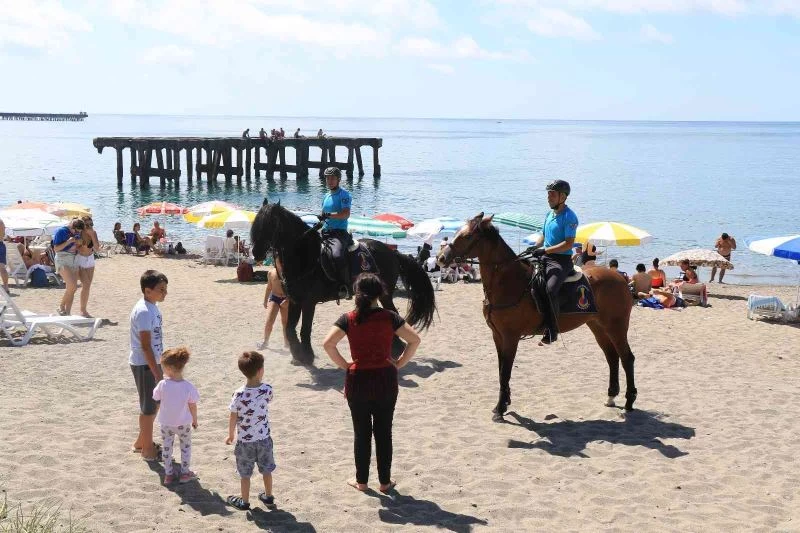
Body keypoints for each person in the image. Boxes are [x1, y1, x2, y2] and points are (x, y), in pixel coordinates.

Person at [322, 273, 421, 493]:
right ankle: (385, 482)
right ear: (379, 293)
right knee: (384, 432)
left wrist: (346, 365)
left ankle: (362, 482)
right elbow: (414, 340)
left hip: (358, 380)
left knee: (361, 433)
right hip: (385, 378)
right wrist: (399, 363)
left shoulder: (349, 318)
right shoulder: (389, 317)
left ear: (357, 292)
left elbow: (328, 344)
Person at [225, 351, 276, 511]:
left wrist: (231, 434)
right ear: (260, 370)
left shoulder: (238, 394)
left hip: (245, 442)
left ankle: (245, 501)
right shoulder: (267, 389)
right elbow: (268, 400)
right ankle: (268, 496)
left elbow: (233, 416)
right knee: (266, 470)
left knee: (245, 473)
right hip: (264, 439)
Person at [530, 179, 578, 344]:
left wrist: (545, 250)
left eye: (552, 194)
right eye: (548, 194)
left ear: (562, 197)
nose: (548, 197)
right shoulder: (548, 214)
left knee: (550, 290)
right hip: (545, 256)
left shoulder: (570, 217)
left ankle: (552, 330)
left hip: (561, 261)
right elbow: (543, 236)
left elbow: (569, 244)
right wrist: (535, 246)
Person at [130, 270, 168, 462]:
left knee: (155, 404)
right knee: (148, 408)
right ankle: (147, 449)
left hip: (153, 362)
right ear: (147, 290)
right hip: (145, 364)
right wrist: (156, 373)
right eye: (161, 289)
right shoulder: (144, 311)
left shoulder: (153, 306)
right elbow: (145, 346)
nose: (165, 293)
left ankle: (141, 442)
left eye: (165, 289)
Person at [152, 347, 199, 484]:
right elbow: (193, 405)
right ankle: (185, 473)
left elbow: (156, 399)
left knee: (167, 449)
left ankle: (168, 474)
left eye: (163, 367)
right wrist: (195, 420)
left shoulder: (162, 384)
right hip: (183, 423)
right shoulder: (188, 386)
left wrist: (157, 414)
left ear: (169, 368)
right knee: (185, 448)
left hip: (166, 423)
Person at [320, 166, 353, 298]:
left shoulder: (344, 195)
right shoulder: (326, 196)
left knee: (337, 255)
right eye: (328, 178)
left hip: (339, 233)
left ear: (338, 179)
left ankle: (345, 286)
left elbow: (345, 214)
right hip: (325, 232)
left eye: (333, 178)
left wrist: (329, 215)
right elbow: (324, 217)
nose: (330, 181)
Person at [52, 218, 85, 315]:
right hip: (62, 258)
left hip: (73, 259)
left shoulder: (76, 232)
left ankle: (67, 312)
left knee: (72, 288)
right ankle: (61, 306)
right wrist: (68, 242)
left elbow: (80, 243)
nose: (76, 233)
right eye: (75, 231)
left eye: (78, 232)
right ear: (72, 226)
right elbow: (56, 249)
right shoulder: (61, 231)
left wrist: (79, 241)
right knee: (72, 286)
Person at [258, 257, 289, 350]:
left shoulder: (288, 272)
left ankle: (286, 342)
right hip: (274, 298)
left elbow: (293, 289)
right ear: (275, 260)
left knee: (285, 323)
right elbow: (269, 288)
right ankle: (265, 341)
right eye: (278, 259)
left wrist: (288, 299)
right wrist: (265, 300)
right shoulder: (271, 272)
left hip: (286, 298)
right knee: (269, 321)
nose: (281, 261)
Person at [75, 216, 100, 318]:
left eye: (91, 224)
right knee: (85, 284)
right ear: (83, 225)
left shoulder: (94, 233)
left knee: (87, 286)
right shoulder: (78, 233)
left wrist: (92, 235)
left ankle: (83, 309)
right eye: (87, 224)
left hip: (90, 259)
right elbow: (76, 247)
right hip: (80, 259)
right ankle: (83, 310)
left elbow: (97, 248)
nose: (89, 226)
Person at [0, 217, 8, 292]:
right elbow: (3, 234)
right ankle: (6, 287)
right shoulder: (1, 222)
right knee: (2, 267)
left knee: (2, 267)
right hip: (1, 244)